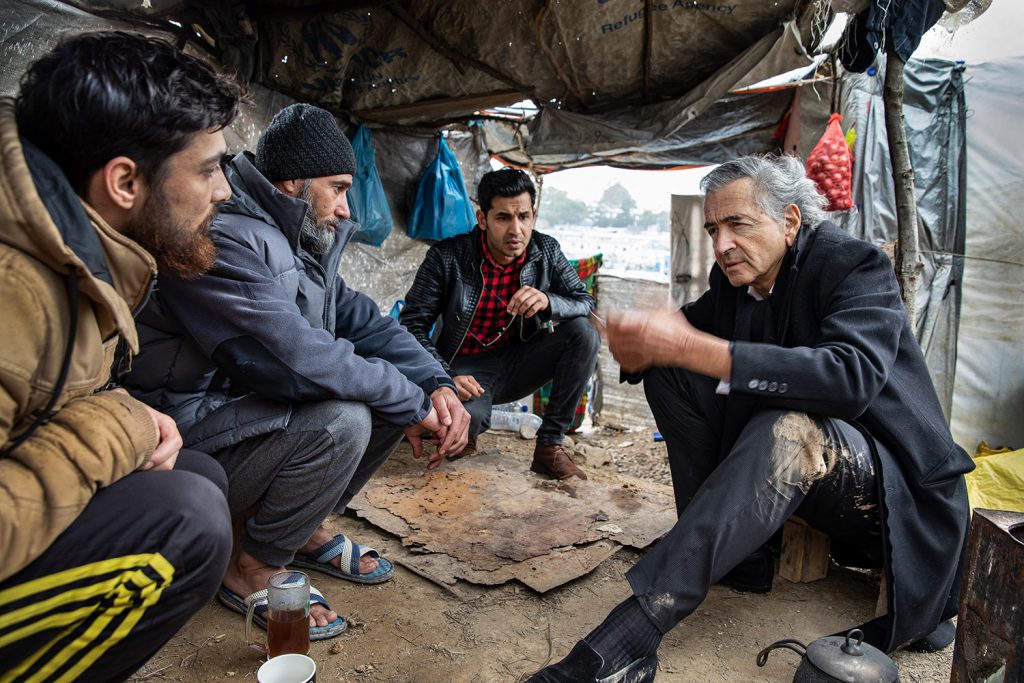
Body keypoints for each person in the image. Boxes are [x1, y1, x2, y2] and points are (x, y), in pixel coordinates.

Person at [529, 155, 973, 681]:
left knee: (788, 425)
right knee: (670, 374)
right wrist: (642, 340)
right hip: (808, 472)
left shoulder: (855, 266)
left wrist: (700, 349)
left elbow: (850, 377)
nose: (721, 245)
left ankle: (634, 633)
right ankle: (737, 559)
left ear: (789, 221)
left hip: (894, 489)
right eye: (713, 228)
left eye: (738, 224)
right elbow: (683, 338)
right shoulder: (736, 281)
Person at [123, 103, 470, 641]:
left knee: (382, 398)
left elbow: (364, 321)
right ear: (293, 183)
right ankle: (252, 566)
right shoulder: (225, 236)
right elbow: (296, 357)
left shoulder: (297, 235)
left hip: (236, 415)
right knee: (347, 417)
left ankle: (299, 530)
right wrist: (410, 402)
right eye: (338, 187)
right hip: (180, 440)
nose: (345, 207)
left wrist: (435, 383)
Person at [0, 31, 243, 682]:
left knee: (196, 478)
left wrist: (114, 408)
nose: (224, 191)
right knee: (186, 522)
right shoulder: (13, 291)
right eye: (208, 167)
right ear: (125, 181)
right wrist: (115, 427)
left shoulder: (78, 254)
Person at [400, 168, 600, 479]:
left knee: (583, 333)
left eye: (523, 216)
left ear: (533, 215)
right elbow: (411, 324)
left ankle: (549, 447)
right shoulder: (446, 257)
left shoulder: (545, 250)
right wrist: (445, 376)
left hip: (520, 361)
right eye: (503, 218)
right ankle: (458, 426)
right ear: (482, 219)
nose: (516, 229)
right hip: (463, 368)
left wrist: (549, 301)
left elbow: (585, 301)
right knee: (463, 423)